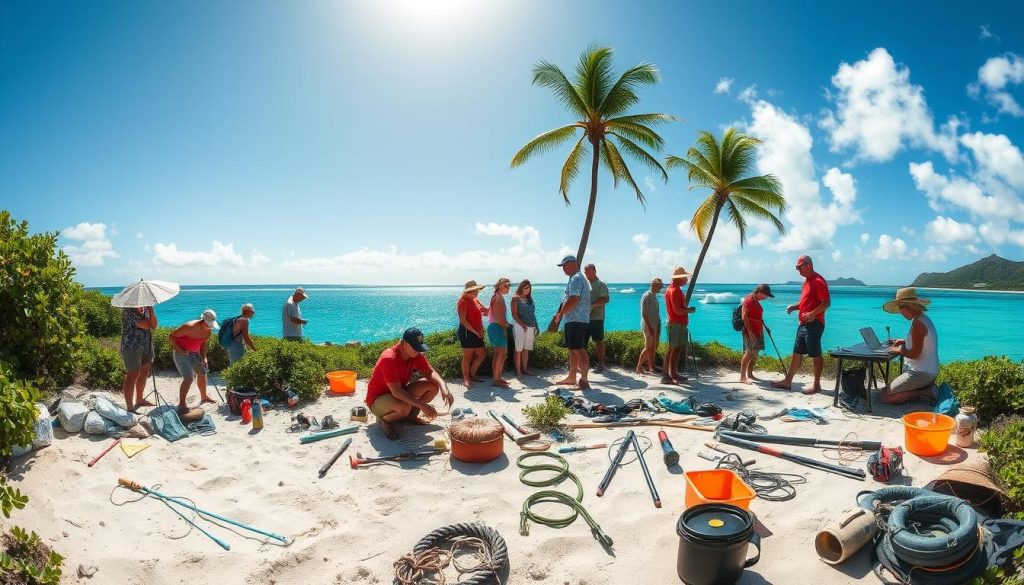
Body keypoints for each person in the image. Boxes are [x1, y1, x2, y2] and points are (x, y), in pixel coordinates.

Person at [365, 327, 455, 440]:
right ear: (404, 344)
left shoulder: (414, 354)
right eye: (415, 348)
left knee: (433, 387)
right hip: (377, 400)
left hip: (397, 392)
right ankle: (385, 420)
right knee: (404, 407)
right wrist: (423, 406)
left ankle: (410, 416)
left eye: (419, 348)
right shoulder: (389, 358)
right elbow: (397, 392)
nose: (418, 351)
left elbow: (429, 372)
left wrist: (444, 387)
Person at [774, 255, 831, 394]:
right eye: (796, 268)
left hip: (815, 323)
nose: (798, 270)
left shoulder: (818, 281)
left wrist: (812, 314)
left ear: (808, 265)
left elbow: (826, 302)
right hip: (803, 323)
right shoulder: (806, 283)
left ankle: (817, 385)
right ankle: (788, 381)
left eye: (799, 267)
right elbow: (806, 303)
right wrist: (794, 307)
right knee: (797, 353)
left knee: (815, 354)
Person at [880, 288, 939, 404]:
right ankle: (921, 389)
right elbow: (919, 341)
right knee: (884, 390)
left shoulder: (918, 324)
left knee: (886, 397)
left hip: (922, 373)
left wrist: (899, 350)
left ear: (907, 307)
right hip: (926, 370)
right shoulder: (921, 318)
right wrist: (903, 341)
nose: (900, 312)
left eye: (900, 309)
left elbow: (914, 354)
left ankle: (926, 392)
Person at [168, 309, 220, 413]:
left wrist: (204, 357)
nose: (210, 327)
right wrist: (179, 349)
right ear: (203, 321)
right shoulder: (189, 326)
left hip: (195, 353)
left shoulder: (208, 330)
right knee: (188, 378)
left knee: (202, 372)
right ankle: (182, 403)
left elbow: (203, 344)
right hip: (181, 353)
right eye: (208, 324)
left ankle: (204, 396)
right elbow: (171, 336)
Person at [552, 255, 592, 390]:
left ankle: (584, 380)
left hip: (576, 319)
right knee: (573, 350)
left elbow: (574, 299)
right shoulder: (578, 278)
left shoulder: (576, 278)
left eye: (564, 266)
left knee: (579, 349)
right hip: (577, 319)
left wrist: (560, 314)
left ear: (572, 264)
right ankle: (571, 377)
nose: (563, 269)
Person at [120, 305, 157, 412]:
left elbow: (154, 326)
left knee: (144, 373)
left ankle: (139, 399)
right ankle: (130, 406)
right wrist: (149, 316)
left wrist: (151, 309)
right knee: (132, 375)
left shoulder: (145, 309)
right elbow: (146, 325)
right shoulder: (128, 310)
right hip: (131, 347)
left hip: (146, 346)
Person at [662, 266, 695, 385]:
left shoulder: (673, 289)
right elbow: (677, 311)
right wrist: (689, 310)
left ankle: (673, 373)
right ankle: (667, 375)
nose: (686, 280)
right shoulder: (674, 290)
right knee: (673, 349)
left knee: (677, 348)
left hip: (678, 323)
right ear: (679, 278)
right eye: (684, 278)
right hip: (676, 323)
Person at [739, 284, 774, 384]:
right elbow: (744, 317)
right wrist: (750, 333)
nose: (766, 298)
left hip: (758, 330)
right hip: (750, 331)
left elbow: (756, 315)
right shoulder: (749, 300)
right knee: (749, 352)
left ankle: (750, 374)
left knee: (755, 353)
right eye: (765, 295)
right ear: (760, 292)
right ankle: (742, 377)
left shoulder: (756, 301)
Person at [456, 280, 488, 387]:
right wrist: (475, 332)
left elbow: (484, 311)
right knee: (468, 356)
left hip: (477, 332)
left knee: (481, 354)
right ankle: (466, 379)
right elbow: (463, 321)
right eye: (474, 290)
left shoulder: (475, 300)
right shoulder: (463, 301)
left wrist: (494, 305)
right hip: (466, 332)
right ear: (468, 291)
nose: (477, 292)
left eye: (477, 290)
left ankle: (472, 375)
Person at [487, 277, 512, 387]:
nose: (509, 288)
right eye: (506, 286)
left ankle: (497, 377)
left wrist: (506, 323)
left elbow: (497, 315)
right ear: (500, 286)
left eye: (509, 286)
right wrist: (504, 328)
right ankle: (496, 379)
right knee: (501, 354)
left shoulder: (495, 296)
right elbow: (499, 317)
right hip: (497, 328)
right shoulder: (499, 298)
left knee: (499, 354)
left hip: (495, 327)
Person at [585, 263, 610, 372]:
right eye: (585, 271)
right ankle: (584, 363)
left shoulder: (601, 284)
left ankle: (601, 363)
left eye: (587, 271)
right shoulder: (585, 283)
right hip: (584, 317)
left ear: (594, 271)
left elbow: (606, 299)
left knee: (599, 340)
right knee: (583, 341)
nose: (585, 273)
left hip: (597, 317)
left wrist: (592, 305)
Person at [511, 279, 538, 377]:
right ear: (521, 287)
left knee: (526, 349)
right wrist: (522, 325)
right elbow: (514, 314)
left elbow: (532, 314)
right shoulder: (516, 298)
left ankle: (525, 369)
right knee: (518, 349)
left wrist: (536, 326)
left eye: (529, 288)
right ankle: (518, 371)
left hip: (531, 327)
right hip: (519, 326)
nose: (527, 290)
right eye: (525, 287)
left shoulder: (530, 299)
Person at [636, 278, 663, 375]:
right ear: (655, 285)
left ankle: (651, 366)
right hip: (649, 326)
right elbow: (644, 314)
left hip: (654, 325)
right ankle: (638, 367)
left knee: (653, 347)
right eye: (660, 285)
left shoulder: (654, 297)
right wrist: (650, 327)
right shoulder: (647, 296)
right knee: (648, 347)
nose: (661, 287)